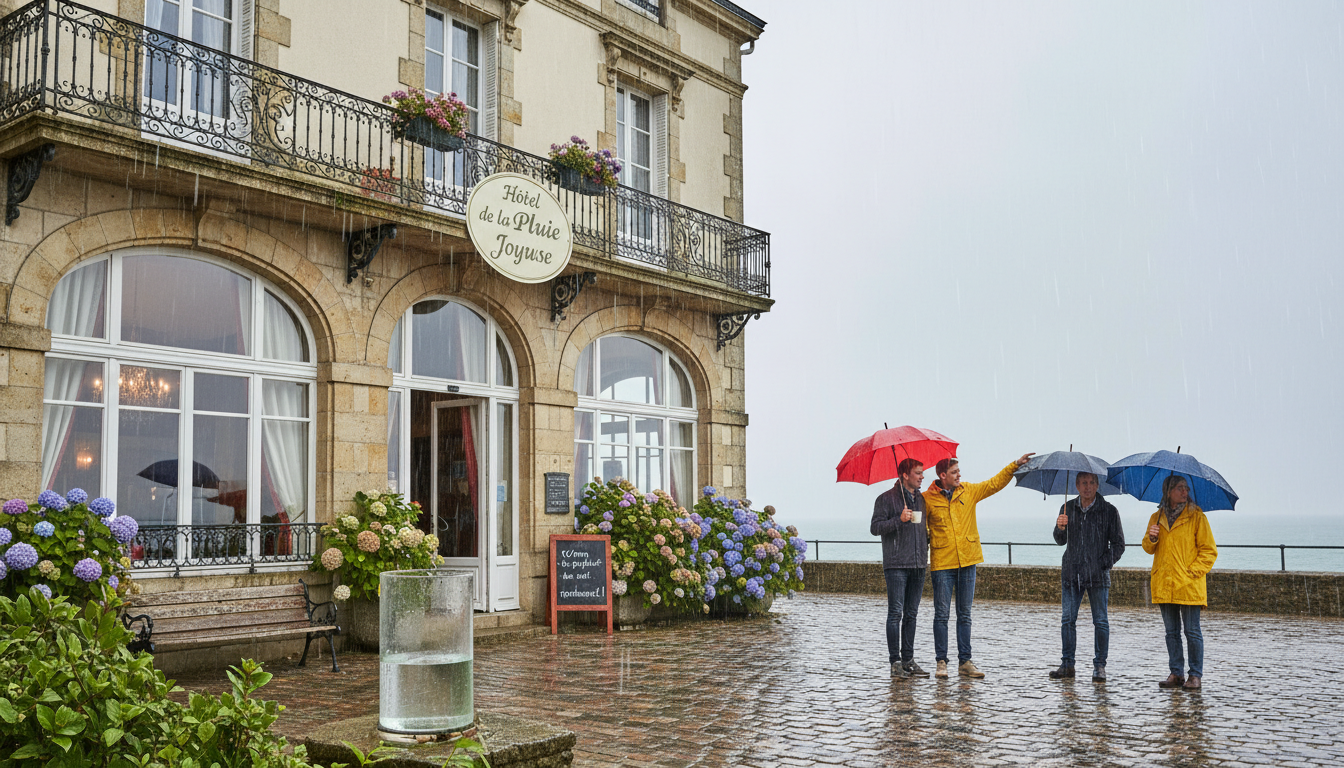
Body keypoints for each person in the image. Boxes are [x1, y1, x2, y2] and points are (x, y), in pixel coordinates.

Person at [924, 453, 1034, 679]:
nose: (959, 475)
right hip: (942, 563)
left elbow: (994, 484)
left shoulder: (969, 491)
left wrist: (1014, 465)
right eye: (954, 472)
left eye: (958, 471)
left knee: (965, 615)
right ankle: (941, 662)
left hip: (968, 560)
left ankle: (965, 662)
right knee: (941, 615)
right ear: (943, 475)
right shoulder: (927, 499)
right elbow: (921, 528)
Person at [1142, 475, 1218, 691]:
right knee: (1171, 632)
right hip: (1165, 583)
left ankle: (1195, 675)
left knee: (1192, 632)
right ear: (1168, 492)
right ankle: (1176, 673)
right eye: (1179, 488)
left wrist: (1191, 572)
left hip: (1188, 585)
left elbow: (1209, 551)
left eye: (1186, 488)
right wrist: (1152, 537)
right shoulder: (1156, 517)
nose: (1185, 492)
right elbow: (1148, 548)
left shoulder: (1197, 517)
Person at [1049, 472, 1125, 683]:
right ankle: (1067, 665)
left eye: (1092, 483)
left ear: (1097, 485)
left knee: (1100, 622)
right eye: (1084, 483)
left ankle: (1099, 666)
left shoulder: (1109, 511)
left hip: (1098, 576)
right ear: (1076, 485)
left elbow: (1118, 545)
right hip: (1071, 573)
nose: (1088, 487)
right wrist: (1059, 527)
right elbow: (1060, 540)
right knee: (1067, 620)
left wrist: (1102, 564)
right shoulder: (1067, 508)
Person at [870, 458, 930, 679]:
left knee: (911, 614)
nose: (922, 476)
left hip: (918, 563)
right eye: (918, 473)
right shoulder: (885, 499)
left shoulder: (921, 499)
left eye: (922, 473)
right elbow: (875, 528)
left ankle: (908, 661)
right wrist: (899, 519)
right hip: (896, 563)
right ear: (905, 475)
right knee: (896, 613)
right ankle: (895, 662)